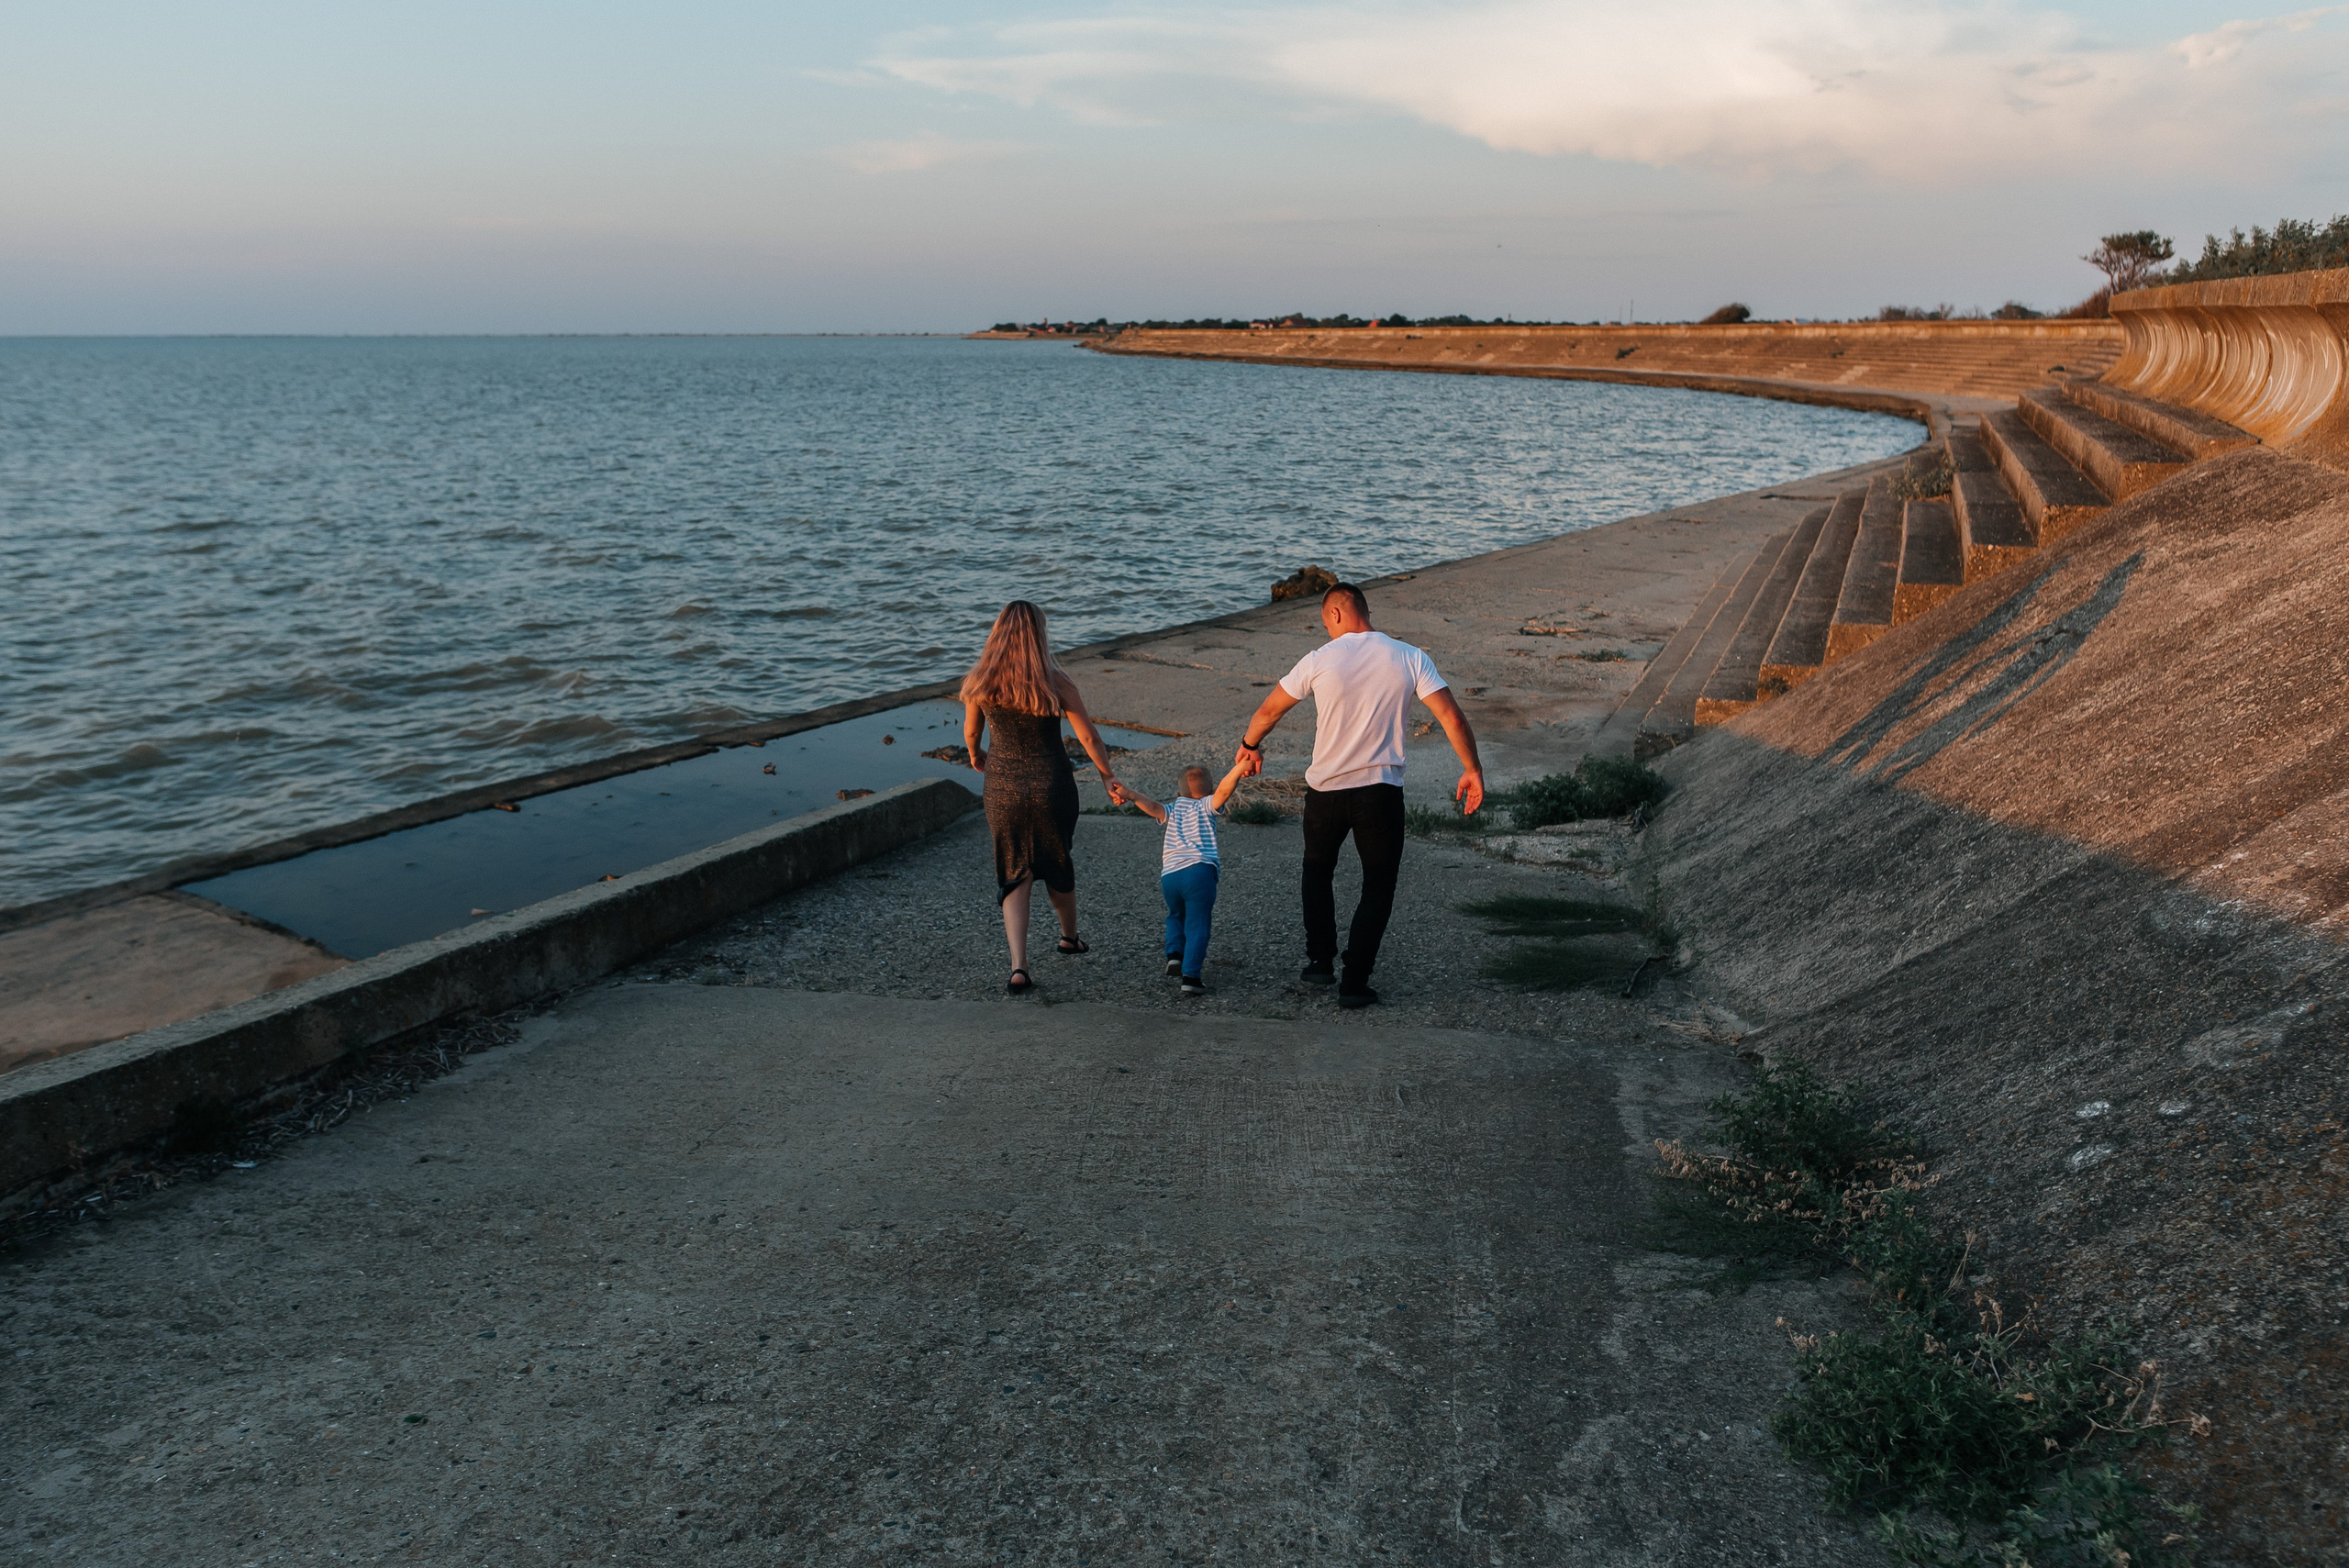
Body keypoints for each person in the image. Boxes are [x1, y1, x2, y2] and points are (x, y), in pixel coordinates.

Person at [1231, 582, 1484, 1007]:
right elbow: (1451, 718)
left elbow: (1268, 711)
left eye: (1325, 623)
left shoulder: (1319, 660)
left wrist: (1250, 746)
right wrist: (1472, 770)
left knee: (1317, 872)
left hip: (1325, 791)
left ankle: (1319, 963)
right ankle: (1355, 981)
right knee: (1378, 885)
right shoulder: (1408, 656)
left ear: (1334, 614)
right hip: (1380, 794)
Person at [960, 601, 1125, 995]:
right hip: (1052, 784)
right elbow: (1088, 737)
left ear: (997, 634)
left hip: (1003, 786)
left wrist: (975, 755)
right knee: (1057, 858)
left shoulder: (980, 681)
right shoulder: (1056, 681)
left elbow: (970, 732)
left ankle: (1019, 966)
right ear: (1039, 635)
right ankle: (1069, 937)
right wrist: (1107, 776)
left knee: (1014, 869)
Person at [1109, 759, 1248, 997]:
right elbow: (1226, 789)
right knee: (1198, 924)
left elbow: (1151, 806)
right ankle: (1191, 976)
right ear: (1211, 792)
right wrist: (1238, 769)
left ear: (1178, 793)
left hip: (1170, 876)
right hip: (1199, 872)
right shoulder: (1207, 805)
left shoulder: (1173, 809)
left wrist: (1130, 793)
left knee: (1175, 914)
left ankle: (1174, 954)